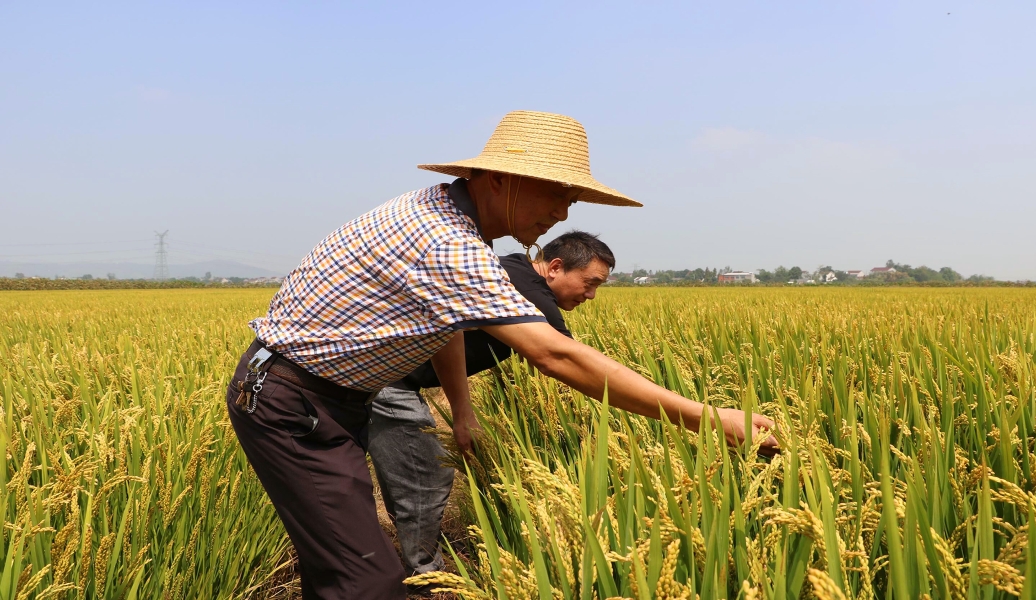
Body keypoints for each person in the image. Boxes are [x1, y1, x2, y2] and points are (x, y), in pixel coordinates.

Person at [225, 110, 778, 600]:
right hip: (292, 404)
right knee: (368, 584)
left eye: (571, 199)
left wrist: (461, 409)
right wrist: (709, 419)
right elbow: (557, 357)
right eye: (555, 194)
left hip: (325, 399)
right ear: (498, 179)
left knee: (341, 575)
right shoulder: (448, 243)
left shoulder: (451, 219)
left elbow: (443, 327)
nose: (562, 213)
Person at [368, 230, 615, 590]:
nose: (591, 295)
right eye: (589, 283)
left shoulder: (511, 268)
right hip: (387, 379)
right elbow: (569, 361)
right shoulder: (533, 298)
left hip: (387, 374)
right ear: (556, 267)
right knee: (428, 475)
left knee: (408, 471)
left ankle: (406, 554)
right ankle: (427, 578)